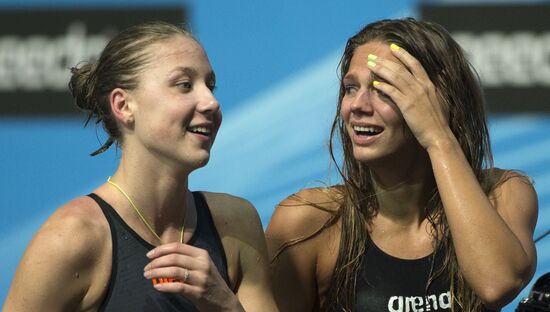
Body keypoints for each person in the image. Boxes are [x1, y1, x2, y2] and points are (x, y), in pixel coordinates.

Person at [266, 18, 538, 312]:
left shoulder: (503, 194)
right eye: (350, 88)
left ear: (436, 100)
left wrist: (438, 137)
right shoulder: (310, 223)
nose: (357, 105)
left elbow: (497, 284)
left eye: (384, 90)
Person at [3, 21, 276, 312]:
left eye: (210, 85)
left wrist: (225, 305)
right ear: (123, 106)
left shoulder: (236, 224)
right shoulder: (71, 238)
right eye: (184, 85)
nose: (210, 102)